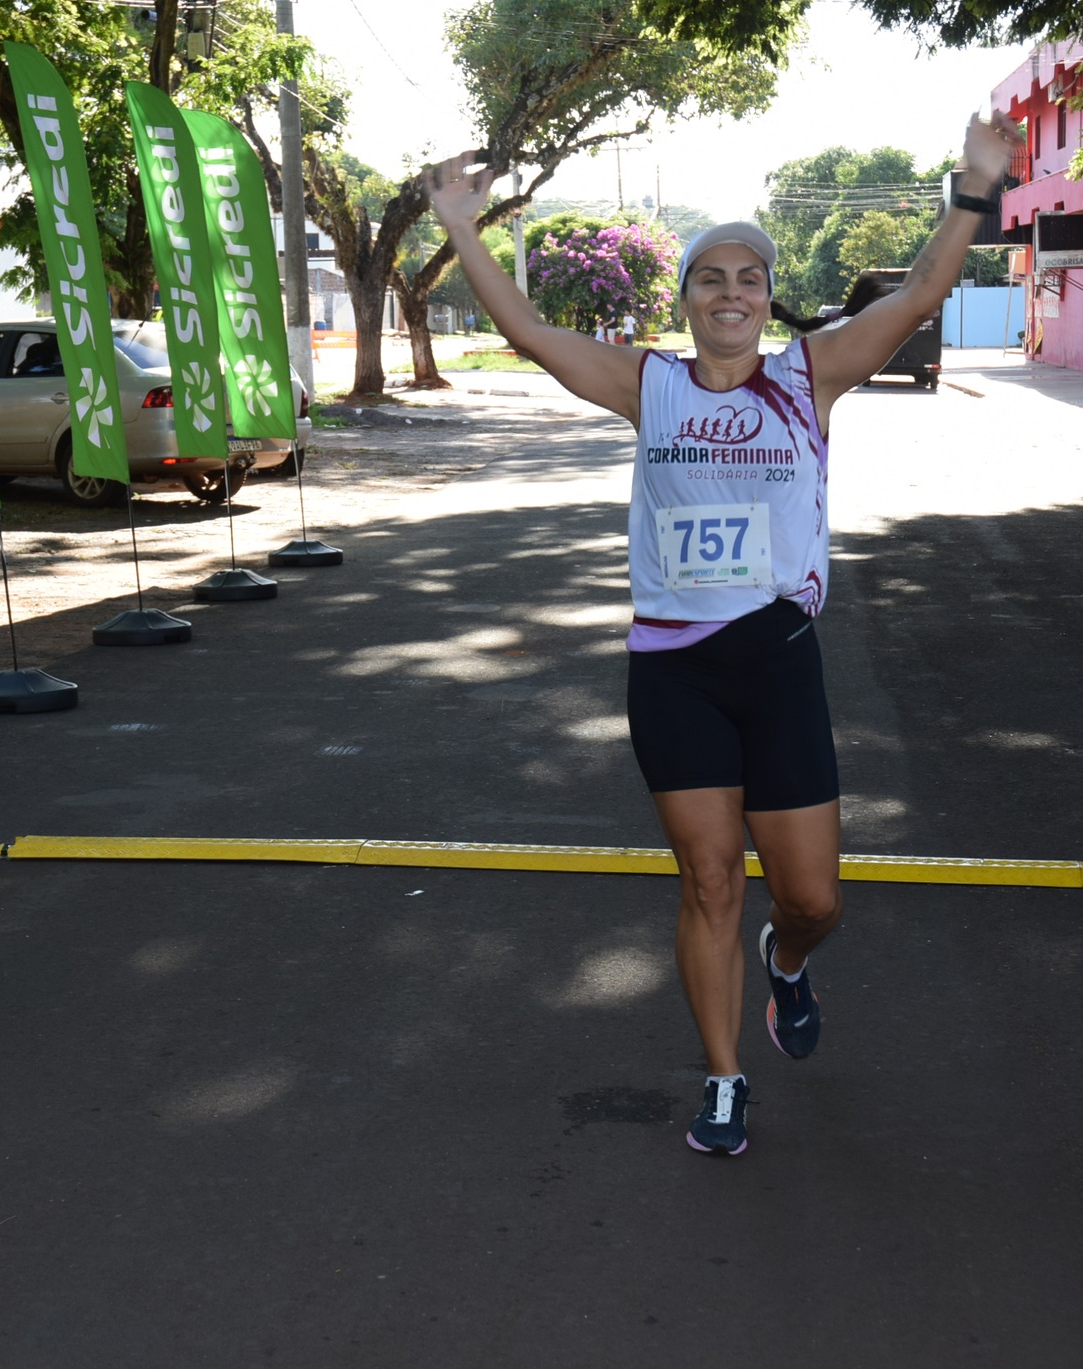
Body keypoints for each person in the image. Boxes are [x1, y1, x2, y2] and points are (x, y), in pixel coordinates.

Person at [427, 112, 1022, 1158]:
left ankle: (785, 967)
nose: (732, 293)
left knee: (810, 897)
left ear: (764, 298)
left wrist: (971, 188)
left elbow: (922, 291)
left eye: (749, 278)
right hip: (673, 671)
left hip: (776, 663)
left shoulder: (808, 377)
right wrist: (462, 225)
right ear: (687, 299)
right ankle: (720, 1077)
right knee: (706, 875)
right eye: (711, 277)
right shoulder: (645, 384)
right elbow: (526, 331)